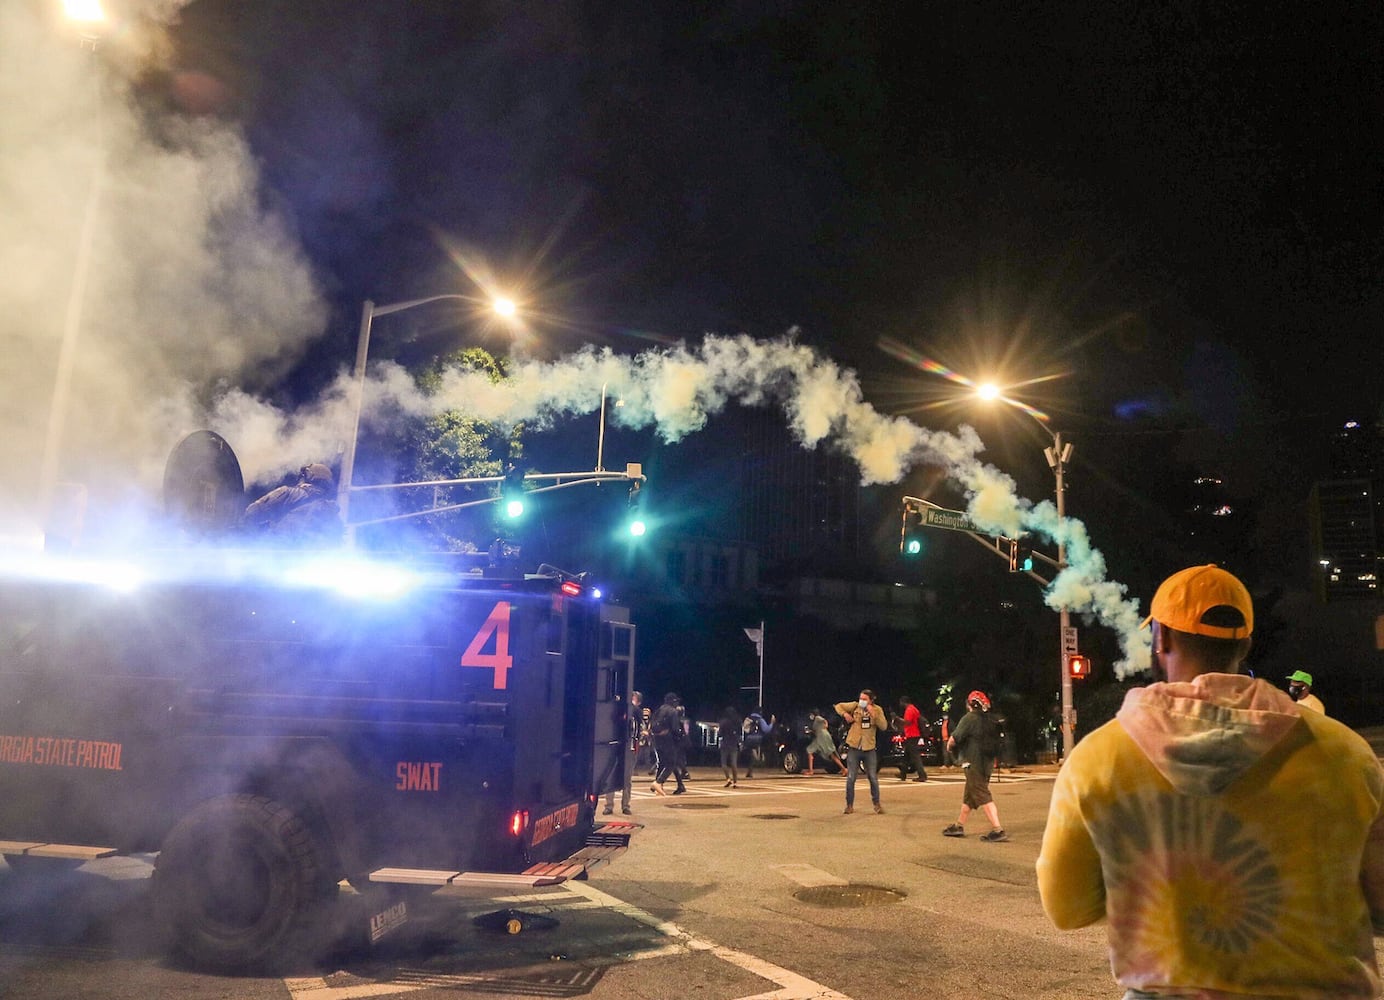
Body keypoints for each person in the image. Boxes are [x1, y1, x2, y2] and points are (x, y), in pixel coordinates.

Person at [1036, 564, 1384, 1000]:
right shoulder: (1347, 754)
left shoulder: (1097, 757)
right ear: (1247, 643)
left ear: (1160, 638)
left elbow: (1066, 907)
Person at [942, 690, 1005, 841]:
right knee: (970, 796)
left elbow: (954, 739)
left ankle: (998, 829)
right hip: (987, 763)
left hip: (972, 762)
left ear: (970, 704)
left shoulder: (969, 718)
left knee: (982, 794)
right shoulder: (989, 719)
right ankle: (959, 825)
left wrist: (949, 748)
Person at [243, 463, 342, 543]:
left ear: (307, 476)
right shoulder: (331, 510)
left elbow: (253, 512)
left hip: (278, 554)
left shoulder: (288, 493)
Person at [834, 690, 889, 814]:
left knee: (873, 777)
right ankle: (849, 805)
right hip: (854, 747)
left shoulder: (877, 710)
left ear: (871, 700)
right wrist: (845, 714)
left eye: (865, 699)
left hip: (869, 748)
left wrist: (873, 713)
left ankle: (877, 804)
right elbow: (838, 706)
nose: (862, 701)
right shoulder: (855, 706)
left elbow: (884, 726)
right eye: (861, 698)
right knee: (851, 777)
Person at [603, 690, 641, 816]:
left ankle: (622, 805)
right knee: (614, 775)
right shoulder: (619, 709)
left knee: (625, 777)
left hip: (628, 746)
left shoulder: (635, 711)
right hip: (619, 746)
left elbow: (638, 723)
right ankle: (612, 805)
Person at [649, 693, 686, 796]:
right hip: (668, 740)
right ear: (673, 701)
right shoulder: (672, 711)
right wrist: (679, 736)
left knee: (662, 762)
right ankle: (658, 782)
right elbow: (675, 729)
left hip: (657, 739)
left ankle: (660, 786)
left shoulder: (660, 709)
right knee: (671, 763)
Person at [897, 695, 928, 782]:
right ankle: (903, 774)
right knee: (906, 756)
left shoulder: (909, 710)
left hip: (912, 735)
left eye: (901, 702)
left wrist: (898, 719)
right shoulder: (914, 708)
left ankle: (922, 775)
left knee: (915, 756)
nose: (900, 704)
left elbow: (907, 722)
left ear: (903, 702)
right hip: (914, 734)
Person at [805, 708, 845, 775]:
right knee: (810, 750)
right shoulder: (815, 721)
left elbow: (824, 720)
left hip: (823, 737)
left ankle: (844, 769)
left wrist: (826, 725)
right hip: (819, 738)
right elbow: (816, 730)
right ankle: (811, 770)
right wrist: (811, 731)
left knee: (831, 753)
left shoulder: (817, 718)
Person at [717, 705, 742, 787]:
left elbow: (719, 734)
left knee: (724, 763)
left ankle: (728, 779)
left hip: (725, 744)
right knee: (734, 764)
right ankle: (735, 782)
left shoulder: (723, 722)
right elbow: (740, 733)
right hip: (734, 743)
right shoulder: (737, 721)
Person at [742, 708, 770, 778]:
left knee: (750, 754)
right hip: (758, 738)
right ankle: (756, 762)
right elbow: (766, 729)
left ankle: (749, 771)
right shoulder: (760, 719)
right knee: (755, 752)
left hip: (748, 738)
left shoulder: (748, 719)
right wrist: (772, 723)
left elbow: (745, 729)